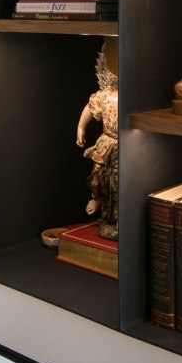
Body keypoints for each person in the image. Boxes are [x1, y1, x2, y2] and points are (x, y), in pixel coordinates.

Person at [76, 44, 118, 241]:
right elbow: (90, 108)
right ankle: (98, 198)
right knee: (96, 177)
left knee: (117, 184)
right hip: (106, 142)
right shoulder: (106, 94)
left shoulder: (132, 94)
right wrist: (81, 127)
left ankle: (116, 219)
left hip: (125, 145)